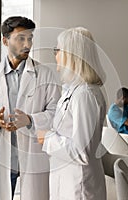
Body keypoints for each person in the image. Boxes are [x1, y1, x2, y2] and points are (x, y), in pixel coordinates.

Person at [0, 16, 61, 200]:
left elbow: (56, 113)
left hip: (34, 157)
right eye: (21, 38)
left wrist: (30, 120)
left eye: (30, 38)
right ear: (5, 41)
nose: (27, 44)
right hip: (5, 158)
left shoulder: (45, 74)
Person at [37, 27, 107, 200]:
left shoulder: (85, 95)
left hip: (78, 185)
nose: (55, 55)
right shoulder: (74, 90)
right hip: (68, 178)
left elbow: (81, 151)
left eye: (57, 50)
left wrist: (47, 138)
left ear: (71, 54)